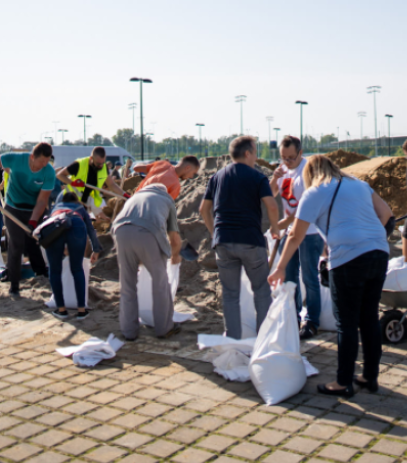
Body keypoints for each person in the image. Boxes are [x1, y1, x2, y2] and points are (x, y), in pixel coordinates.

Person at [268, 155, 392, 397]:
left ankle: (343, 382)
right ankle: (370, 376)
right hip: (379, 253)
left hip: (348, 259)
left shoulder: (315, 192)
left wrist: (280, 266)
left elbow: (295, 235)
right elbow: (386, 213)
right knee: (369, 318)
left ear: (310, 174)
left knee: (346, 323)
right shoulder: (358, 184)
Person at [200, 136, 280, 340]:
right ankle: (263, 340)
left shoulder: (217, 177)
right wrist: (275, 229)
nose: (256, 157)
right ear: (247, 153)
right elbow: (271, 205)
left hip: (223, 242)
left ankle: (233, 339)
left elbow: (204, 209)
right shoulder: (257, 176)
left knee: (230, 294)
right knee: (261, 291)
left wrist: (213, 233)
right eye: (255, 152)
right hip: (250, 241)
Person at [0, 143, 56, 298]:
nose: (44, 165)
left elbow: (42, 201)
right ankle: (14, 284)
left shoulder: (49, 172)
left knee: (34, 241)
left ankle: (41, 272)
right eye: (41, 161)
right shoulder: (16, 159)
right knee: (16, 244)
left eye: (47, 161)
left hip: (33, 209)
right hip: (13, 208)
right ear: (32, 157)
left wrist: (32, 222)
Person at [269, 136, 325, 340]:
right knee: (289, 277)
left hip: (309, 233)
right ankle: (292, 317)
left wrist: (282, 224)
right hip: (289, 232)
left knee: (309, 277)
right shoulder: (283, 170)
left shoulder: (308, 170)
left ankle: (311, 321)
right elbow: (270, 193)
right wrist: (275, 177)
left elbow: (306, 206)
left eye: (291, 158)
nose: (287, 161)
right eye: (283, 158)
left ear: (300, 153)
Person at [112, 183, 182, 339]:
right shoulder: (167, 199)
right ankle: (164, 328)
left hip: (120, 233)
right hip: (147, 233)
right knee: (160, 283)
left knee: (127, 284)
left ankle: (128, 331)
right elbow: (174, 236)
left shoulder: (134, 197)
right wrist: (175, 255)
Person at [43, 192, 103, 320]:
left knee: (54, 271)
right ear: (76, 200)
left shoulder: (56, 208)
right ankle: (81, 310)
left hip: (56, 225)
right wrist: (96, 249)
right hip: (77, 225)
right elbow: (90, 230)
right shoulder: (80, 208)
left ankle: (61, 310)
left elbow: (46, 223)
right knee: (77, 269)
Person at [56, 147, 126, 218]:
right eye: (98, 164)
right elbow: (59, 175)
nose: (101, 166)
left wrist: (124, 194)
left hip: (83, 202)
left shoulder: (104, 168)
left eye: (103, 162)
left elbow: (111, 184)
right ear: (91, 158)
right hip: (68, 200)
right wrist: (73, 183)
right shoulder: (79, 164)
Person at [134, 156, 201, 200]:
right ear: (187, 168)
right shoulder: (175, 185)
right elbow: (164, 209)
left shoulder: (162, 164)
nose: (191, 177)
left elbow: (136, 168)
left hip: (133, 202)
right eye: (193, 173)